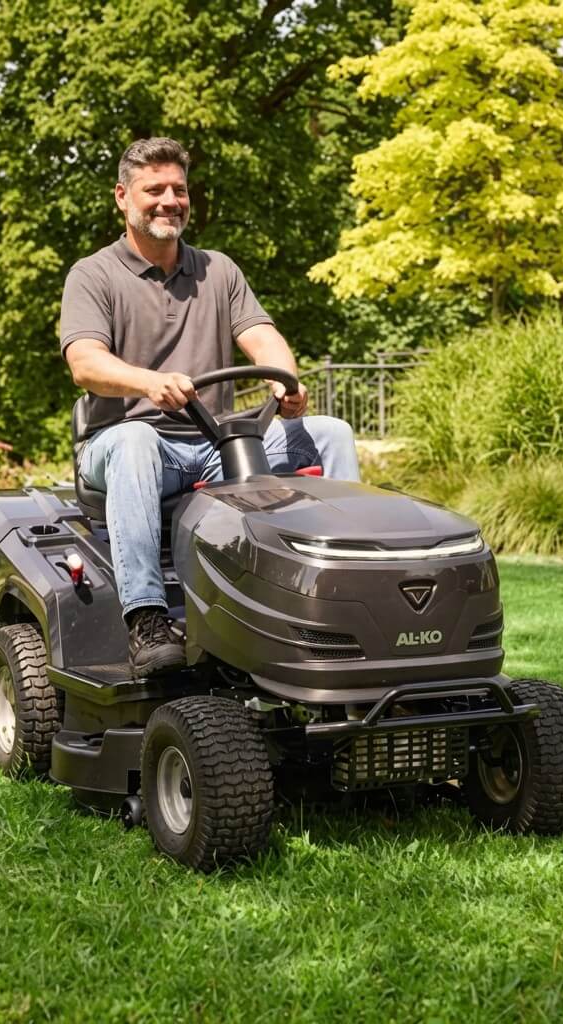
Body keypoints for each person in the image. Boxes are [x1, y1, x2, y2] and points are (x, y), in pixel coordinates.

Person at [60, 137, 360, 677]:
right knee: (135, 442)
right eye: (154, 190)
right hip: (122, 441)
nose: (169, 200)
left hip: (213, 442)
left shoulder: (217, 270)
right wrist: (149, 384)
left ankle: (345, 587)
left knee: (331, 432)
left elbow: (262, 335)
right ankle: (147, 619)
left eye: (179, 189)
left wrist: (286, 383)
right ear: (123, 198)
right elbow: (85, 363)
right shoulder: (94, 274)